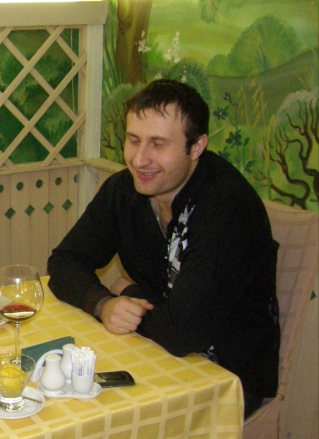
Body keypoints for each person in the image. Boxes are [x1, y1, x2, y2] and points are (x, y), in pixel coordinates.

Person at [47, 79, 280, 418]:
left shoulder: (226, 207)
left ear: (196, 146)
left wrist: (129, 291)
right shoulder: (124, 191)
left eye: (158, 144)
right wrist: (102, 303)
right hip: (158, 349)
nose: (140, 159)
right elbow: (64, 262)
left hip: (227, 376)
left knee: (97, 422)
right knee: (62, 396)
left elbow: (183, 334)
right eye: (133, 140)